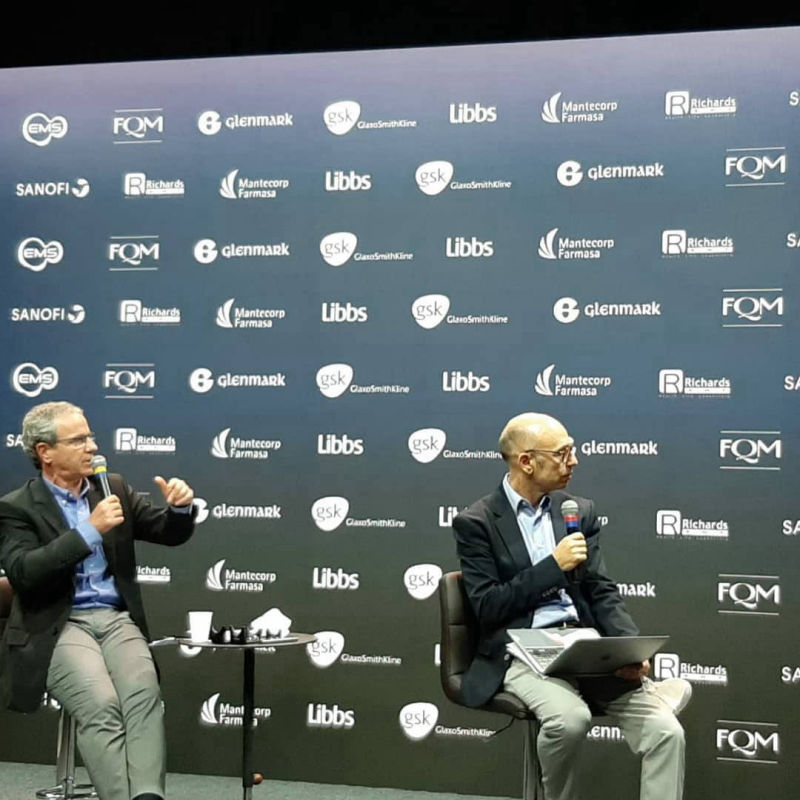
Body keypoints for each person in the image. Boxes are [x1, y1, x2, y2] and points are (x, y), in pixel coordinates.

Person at [452, 412, 689, 800]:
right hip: (523, 649)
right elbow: (489, 606)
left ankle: (648, 688)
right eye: (562, 453)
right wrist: (554, 566)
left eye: (572, 450)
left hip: (582, 643)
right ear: (527, 461)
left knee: (667, 732)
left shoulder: (578, 511)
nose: (573, 461)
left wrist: (630, 650)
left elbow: (600, 590)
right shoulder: (477, 522)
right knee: (570, 719)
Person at [0, 401, 196, 800]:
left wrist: (180, 509)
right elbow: (23, 571)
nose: (92, 447)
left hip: (115, 618)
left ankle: (147, 796)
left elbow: (166, 532)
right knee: (101, 704)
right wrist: (89, 530)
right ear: (45, 452)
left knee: (142, 695)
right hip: (58, 623)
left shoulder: (112, 488)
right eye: (78, 440)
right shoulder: (16, 507)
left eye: (90, 437)